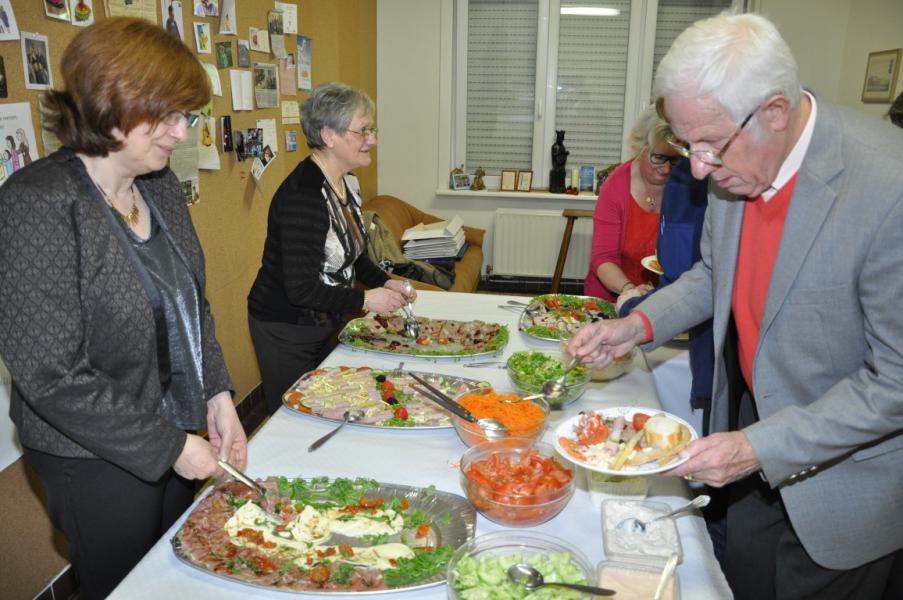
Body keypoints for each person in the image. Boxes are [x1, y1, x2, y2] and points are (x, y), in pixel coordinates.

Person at [569, 12, 903, 600]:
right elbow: (714, 274)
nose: (697, 168)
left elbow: (896, 382)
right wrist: (639, 324)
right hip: (750, 437)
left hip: (847, 480)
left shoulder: (887, 185)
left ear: (774, 112)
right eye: (685, 143)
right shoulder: (733, 169)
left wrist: (758, 447)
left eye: (709, 145)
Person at [0, 18, 247, 599]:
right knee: (126, 585)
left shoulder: (156, 185)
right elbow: (50, 375)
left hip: (176, 422)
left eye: (188, 116)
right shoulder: (36, 205)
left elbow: (192, 302)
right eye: (169, 116)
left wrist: (218, 396)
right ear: (113, 102)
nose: (182, 134)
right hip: (89, 454)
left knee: (177, 571)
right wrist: (170, 447)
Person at [247, 82, 413, 415]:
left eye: (372, 129)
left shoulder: (347, 181)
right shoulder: (304, 198)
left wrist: (384, 281)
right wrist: (366, 299)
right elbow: (300, 289)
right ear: (328, 135)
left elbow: (353, 252)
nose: (373, 140)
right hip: (286, 328)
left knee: (332, 405)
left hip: (325, 321)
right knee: (298, 415)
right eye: (363, 131)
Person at [584, 104, 680, 301]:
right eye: (659, 157)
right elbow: (603, 257)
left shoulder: (685, 185)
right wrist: (629, 290)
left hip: (664, 298)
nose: (666, 169)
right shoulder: (615, 187)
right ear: (641, 148)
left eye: (675, 160)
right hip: (613, 296)